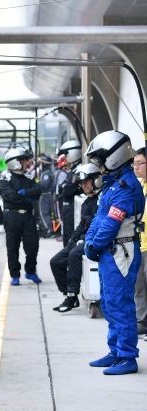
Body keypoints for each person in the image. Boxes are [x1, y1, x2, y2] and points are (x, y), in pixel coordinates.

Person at [84, 131, 144, 375]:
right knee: (109, 304)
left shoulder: (126, 186)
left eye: (100, 160)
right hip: (110, 251)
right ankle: (116, 351)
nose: (99, 165)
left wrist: (94, 244)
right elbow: (99, 218)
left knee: (120, 305)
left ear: (114, 157)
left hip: (122, 252)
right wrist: (90, 241)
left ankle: (127, 357)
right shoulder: (113, 184)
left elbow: (111, 223)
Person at [49, 164, 100, 312]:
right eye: (82, 183)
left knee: (74, 254)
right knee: (56, 261)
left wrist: (82, 238)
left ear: (95, 181)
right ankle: (69, 294)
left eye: (87, 182)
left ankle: (72, 295)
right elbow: (82, 224)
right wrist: (74, 238)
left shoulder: (101, 201)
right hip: (84, 238)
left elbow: (100, 227)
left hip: (95, 241)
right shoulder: (87, 201)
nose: (84, 186)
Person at [0, 147, 42, 285]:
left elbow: (38, 190)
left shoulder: (29, 177)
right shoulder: (5, 179)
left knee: (33, 244)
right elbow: (10, 196)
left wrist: (26, 192)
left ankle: (30, 271)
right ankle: (15, 275)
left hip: (28, 216)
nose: (28, 163)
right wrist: (27, 197)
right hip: (12, 216)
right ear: (15, 162)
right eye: (24, 160)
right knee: (12, 246)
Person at [56, 140, 83, 245]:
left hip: (72, 208)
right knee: (66, 238)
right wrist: (64, 187)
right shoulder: (73, 170)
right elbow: (61, 188)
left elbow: (67, 190)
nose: (65, 158)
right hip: (67, 208)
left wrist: (64, 187)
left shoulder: (78, 170)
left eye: (66, 155)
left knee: (70, 240)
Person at [132, 149, 147, 336]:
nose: (135, 167)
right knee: (139, 286)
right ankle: (141, 322)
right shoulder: (139, 186)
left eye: (140, 163)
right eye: (134, 163)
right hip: (140, 243)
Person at [36, 154, 56, 238]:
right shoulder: (47, 173)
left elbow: (44, 185)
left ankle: (48, 231)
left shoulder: (46, 174)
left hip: (45, 196)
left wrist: (36, 183)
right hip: (48, 196)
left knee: (44, 214)